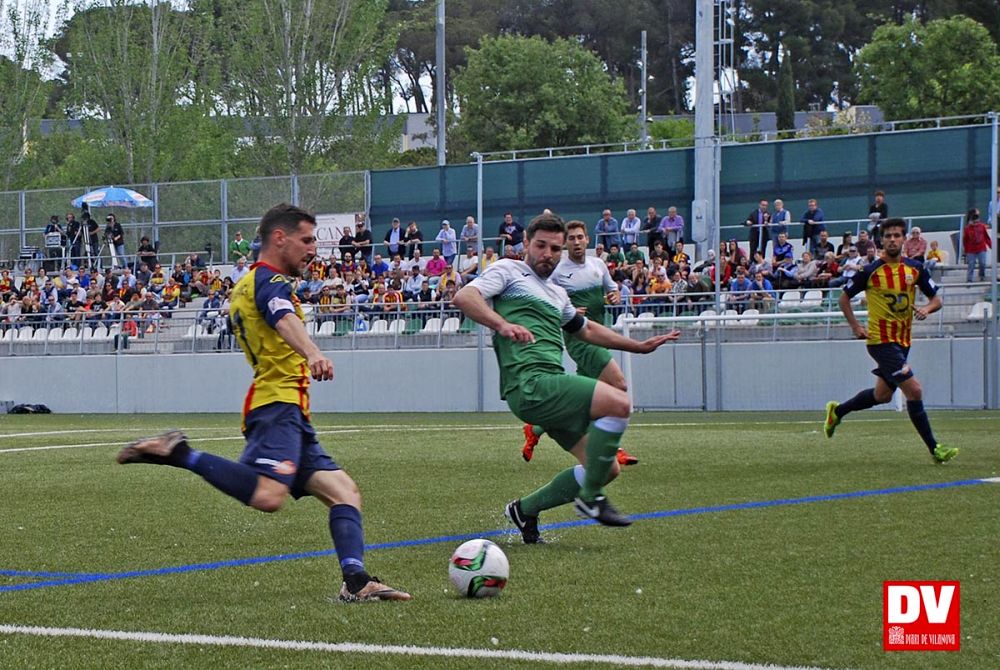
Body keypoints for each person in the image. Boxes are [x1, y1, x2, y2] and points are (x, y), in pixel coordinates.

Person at [116, 203, 410, 602]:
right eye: (306, 240)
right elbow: (281, 314)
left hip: (290, 410)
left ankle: (356, 582)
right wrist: (312, 352)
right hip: (277, 407)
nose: (313, 250)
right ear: (279, 238)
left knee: (343, 492)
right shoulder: (267, 281)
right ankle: (180, 453)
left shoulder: (249, 284)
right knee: (270, 495)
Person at [453, 213, 679, 540]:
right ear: (526, 244)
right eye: (541, 245)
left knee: (604, 469)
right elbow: (465, 297)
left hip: (551, 388)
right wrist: (502, 325)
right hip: (530, 384)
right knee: (619, 403)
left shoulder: (557, 294)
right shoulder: (508, 269)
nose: (548, 253)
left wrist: (637, 346)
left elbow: (585, 329)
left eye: (554, 249)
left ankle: (525, 509)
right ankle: (589, 500)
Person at [824, 218, 957, 464]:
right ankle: (935, 448)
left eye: (897, 235)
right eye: (888, 236)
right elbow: (844, 299)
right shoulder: (869, 271)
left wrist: (927, 309)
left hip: (903, 341)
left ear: (904, 239)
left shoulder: (915, 268)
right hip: (880, 341)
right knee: (914, 390)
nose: (893, 239)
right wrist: (855, 326)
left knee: (882, 395)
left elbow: (937, 300)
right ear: (882, 240)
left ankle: (838, 411)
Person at [520, 220, 641, 467]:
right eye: (571, 238)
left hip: (599, 332)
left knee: (584, 400)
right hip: (578, 337)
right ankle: (611, 447)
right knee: (618, 385)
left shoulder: (598, 265)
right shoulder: (558, 270)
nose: (576, 242)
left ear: (588, 240)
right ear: (566, 243)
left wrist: (615, 295)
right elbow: (544, 295)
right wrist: (570, 309)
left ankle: (536, 429)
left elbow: (612, 290)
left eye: (579, 237)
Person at [962, 208, 991, 283]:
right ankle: (969, 279)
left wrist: (990, 245)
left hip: (981, 248)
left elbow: (986, 236)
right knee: (971, 264)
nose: (976, 224)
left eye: (977, 222)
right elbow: (965, 240)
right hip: (971, 249)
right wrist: (966, 250)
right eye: (974, 222)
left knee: (982, 263)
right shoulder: (967, 228)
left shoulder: (981, 226)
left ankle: (982, 275)